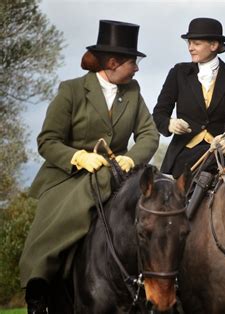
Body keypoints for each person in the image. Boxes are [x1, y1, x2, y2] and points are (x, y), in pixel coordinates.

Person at [19, 20, 159, 312]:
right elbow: (47, 140)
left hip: (116, 173)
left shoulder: (133, 91)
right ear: (112, 62)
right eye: (133, 62)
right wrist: (78, 157)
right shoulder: (70, 90)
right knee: (63, 213)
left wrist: (131, 158)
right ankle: (38, 284)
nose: (136, 69)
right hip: (68, 177)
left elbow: (149, 134)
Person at [153, 17, 225, 179]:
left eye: (196, 44)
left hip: (220, 152)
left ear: (214, 45)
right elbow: (159, 114)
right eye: (189, 43)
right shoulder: (178, 72)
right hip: (183, 153)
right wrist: (170, 124)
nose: (190, 48)